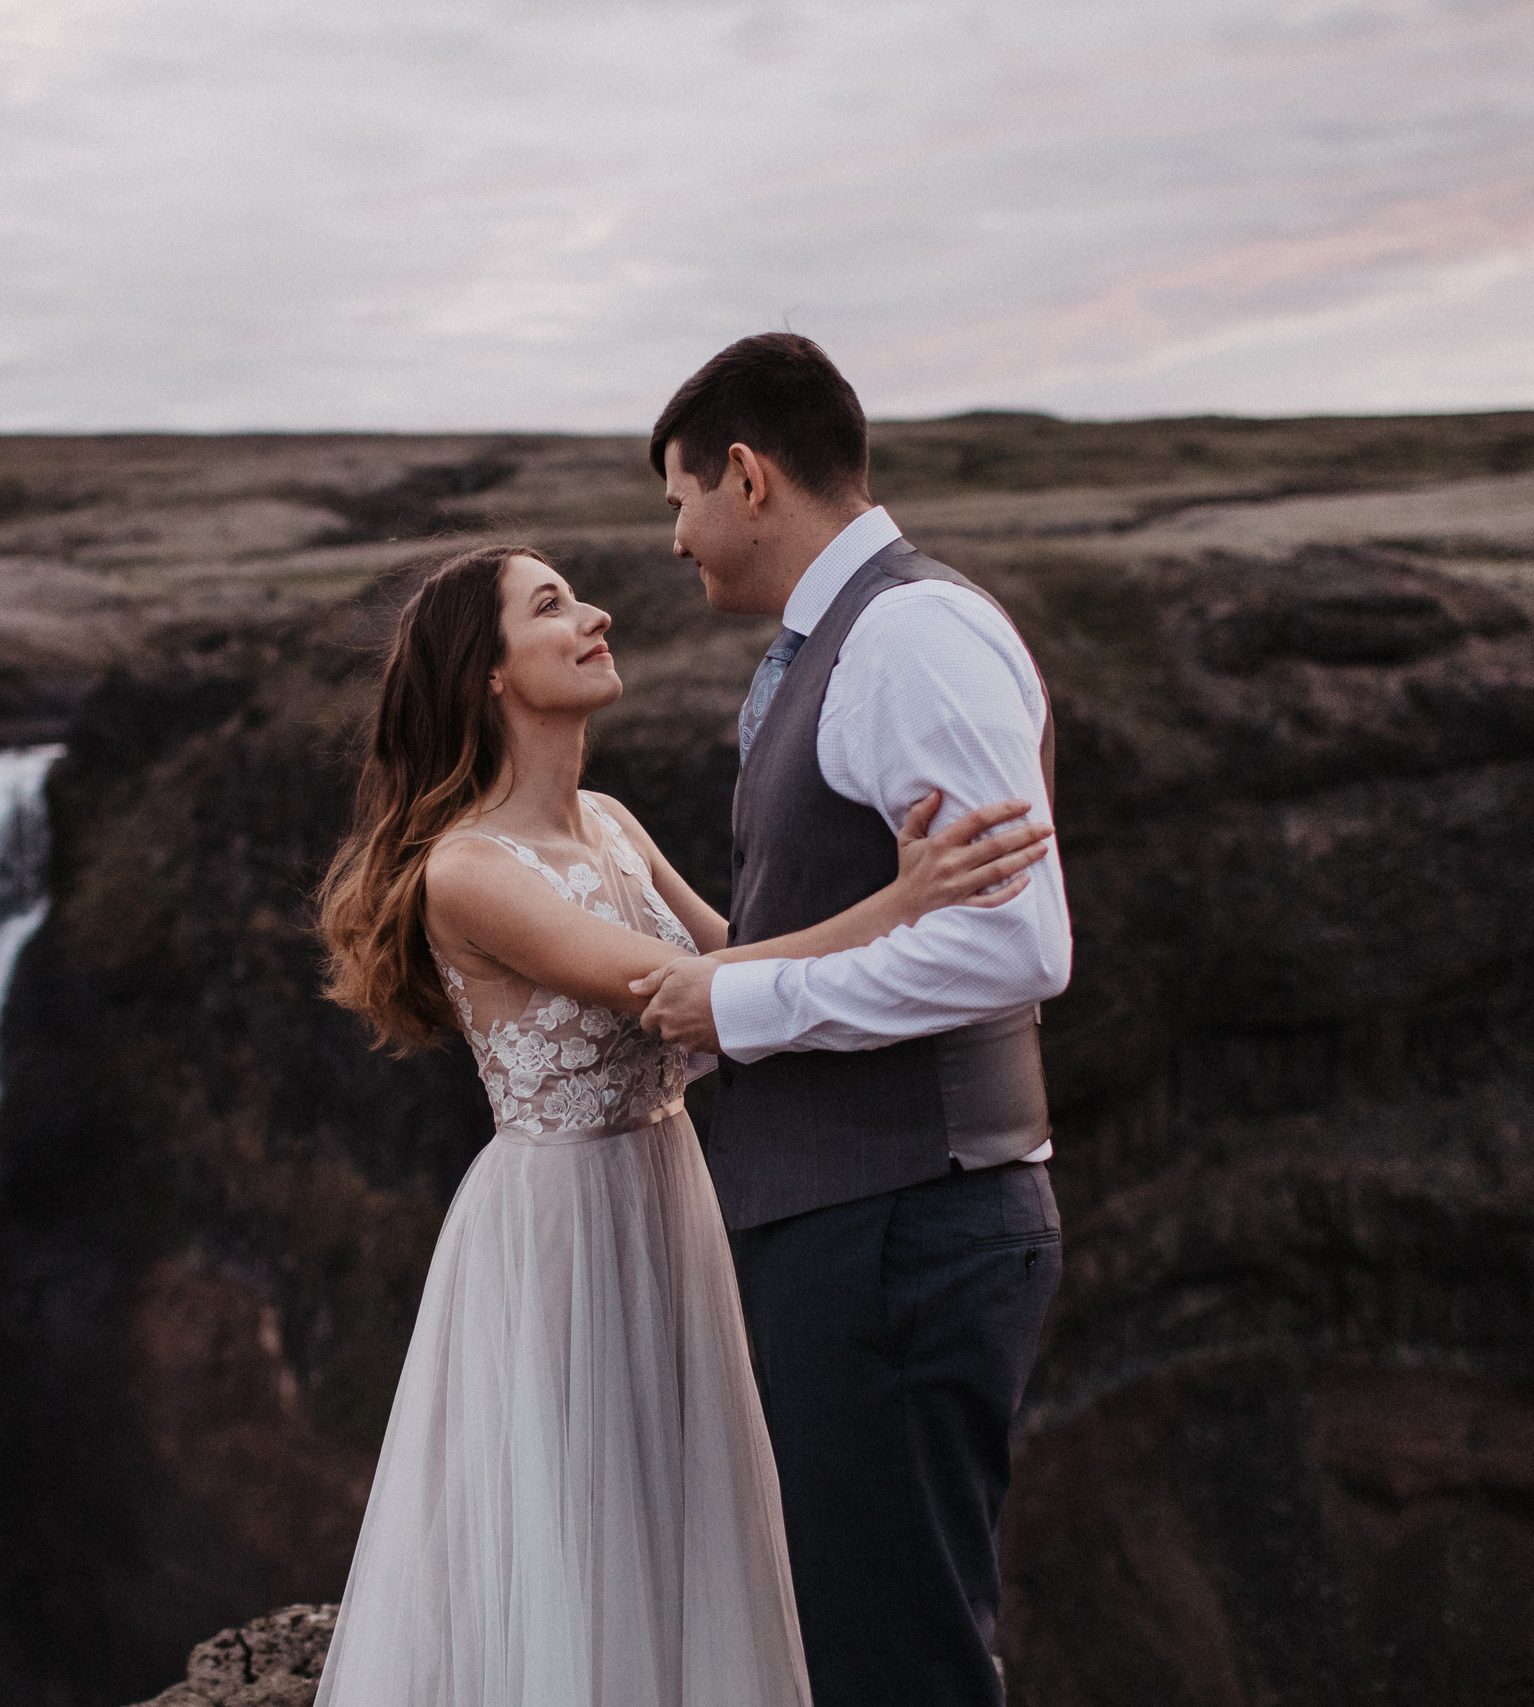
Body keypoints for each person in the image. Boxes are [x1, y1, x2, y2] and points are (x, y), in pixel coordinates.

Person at [310, 541, 1054, 1707]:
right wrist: (902, 904)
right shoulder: (465, 871)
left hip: (672, 1189)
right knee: (586, 1531)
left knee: (690, 1512)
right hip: (557, 1225)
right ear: (486, 675)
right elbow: (667, 993)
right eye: (551, 606)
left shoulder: (609, 819)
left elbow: (734, 968)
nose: (595, 614)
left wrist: (903, 917)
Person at [632, 333, 1071, 1707]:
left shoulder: (909, 634)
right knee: (860, 1638)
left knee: (899, 1660)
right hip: (866, 1224)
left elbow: (1013, 937)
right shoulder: (846, 641)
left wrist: (740, 1000)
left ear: (748, 475)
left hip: (903, 1227)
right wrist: (715, 1000)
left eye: (680, 502)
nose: (678, 540)